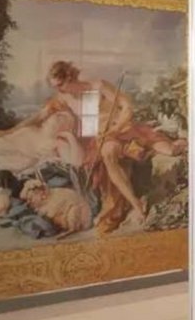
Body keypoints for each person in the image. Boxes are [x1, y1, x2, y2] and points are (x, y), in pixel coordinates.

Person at [45, 60, 187, 233]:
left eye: (60, 85)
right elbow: (84, 126)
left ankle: (181, 142)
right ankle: (136, 204)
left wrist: (116, 128)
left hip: (124, 130)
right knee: (108, 154)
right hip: (105, 138)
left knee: (170, 151)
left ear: (69, 77)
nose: (58, 90)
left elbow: (127, 107)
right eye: (55, 86)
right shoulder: (66, 98)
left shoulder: (98, 86)